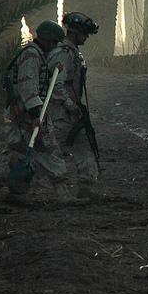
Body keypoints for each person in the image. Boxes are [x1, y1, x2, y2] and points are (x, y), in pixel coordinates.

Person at [0, 20, 69, 203]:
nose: (54, 47)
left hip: (28, 113)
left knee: (33, 149)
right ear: (46, 40)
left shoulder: (37, 55)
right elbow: (28, 87)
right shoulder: (31, 55)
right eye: (53, 42)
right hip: (27, 114)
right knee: (34, 150)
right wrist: (35, 115)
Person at [48, 12, 100, 199]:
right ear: (73, 33)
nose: (86, 38)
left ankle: (86, 185)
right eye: (84, 34)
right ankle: (17, 184)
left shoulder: (72, 53)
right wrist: (70, 105)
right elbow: (56, 85)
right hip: (60, 113)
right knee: (50, 152)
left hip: (71, 112)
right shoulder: (63, 54)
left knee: (84, 146)